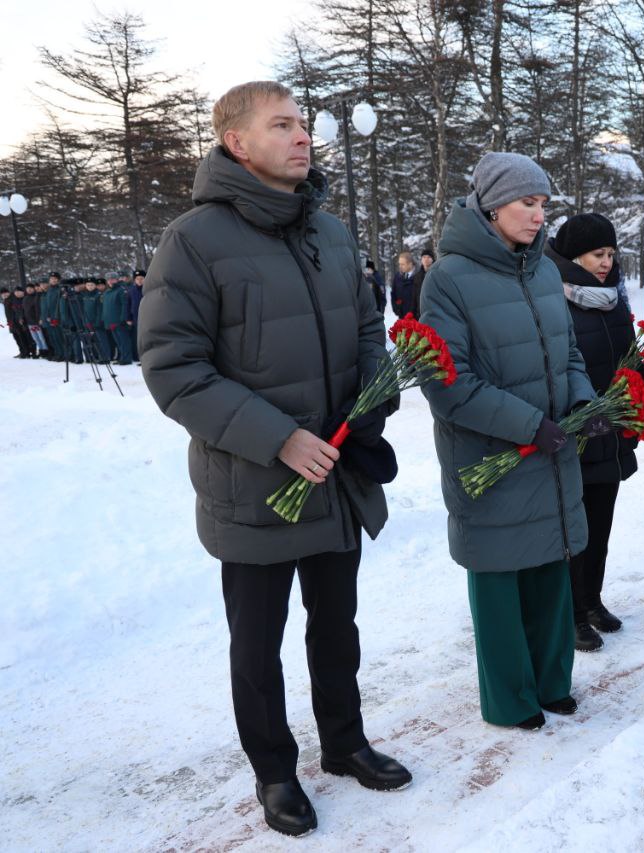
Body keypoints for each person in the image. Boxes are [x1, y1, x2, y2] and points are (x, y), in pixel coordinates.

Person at [138, 81, 410, 838]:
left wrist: (372, 401)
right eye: (282, 125)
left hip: (337, 473)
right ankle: (276, 772)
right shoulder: (194, 241)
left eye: (302, 125)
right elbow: (173, 368)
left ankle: (345, 743)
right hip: (254, 482)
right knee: (258, 644)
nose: (302, 137)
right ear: (238, 142)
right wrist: (278, 438)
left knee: (337, 625)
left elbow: (367, 327)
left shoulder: (331, 232)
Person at [420, 152, 604, 731]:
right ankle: (510, 700)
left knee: (550, 569)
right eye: (527, 203)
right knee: (501, 582)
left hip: (551, 452)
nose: (538, 214)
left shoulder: (544, 271)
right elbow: (448, 383)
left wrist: (581, 401)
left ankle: (552, 682)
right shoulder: (448, 279)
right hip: (493, 457)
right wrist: (529, 425)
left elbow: (569, 353)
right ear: (492, 207)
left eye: (543, 203)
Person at [547, 212, 642, 652]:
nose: (606, 263)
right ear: (574, 256)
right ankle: (569, 612)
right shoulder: (555, 298)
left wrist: (639, 385)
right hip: (578, 428)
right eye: (597, 254)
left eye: (610, 254)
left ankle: (592, 601)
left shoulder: (613, 298)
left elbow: (628, 352)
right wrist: (583, 410)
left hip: (611, 426)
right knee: (574, 527)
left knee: (601, 522)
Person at [389, 252, 415, 317]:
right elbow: (393, 294)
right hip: (402, 316)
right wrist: (396, 309)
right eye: (399, 264)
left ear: (410, 264)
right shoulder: (397, 277)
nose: (400, 266)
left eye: (403, 264)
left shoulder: (419, 277)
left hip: (416, 318)